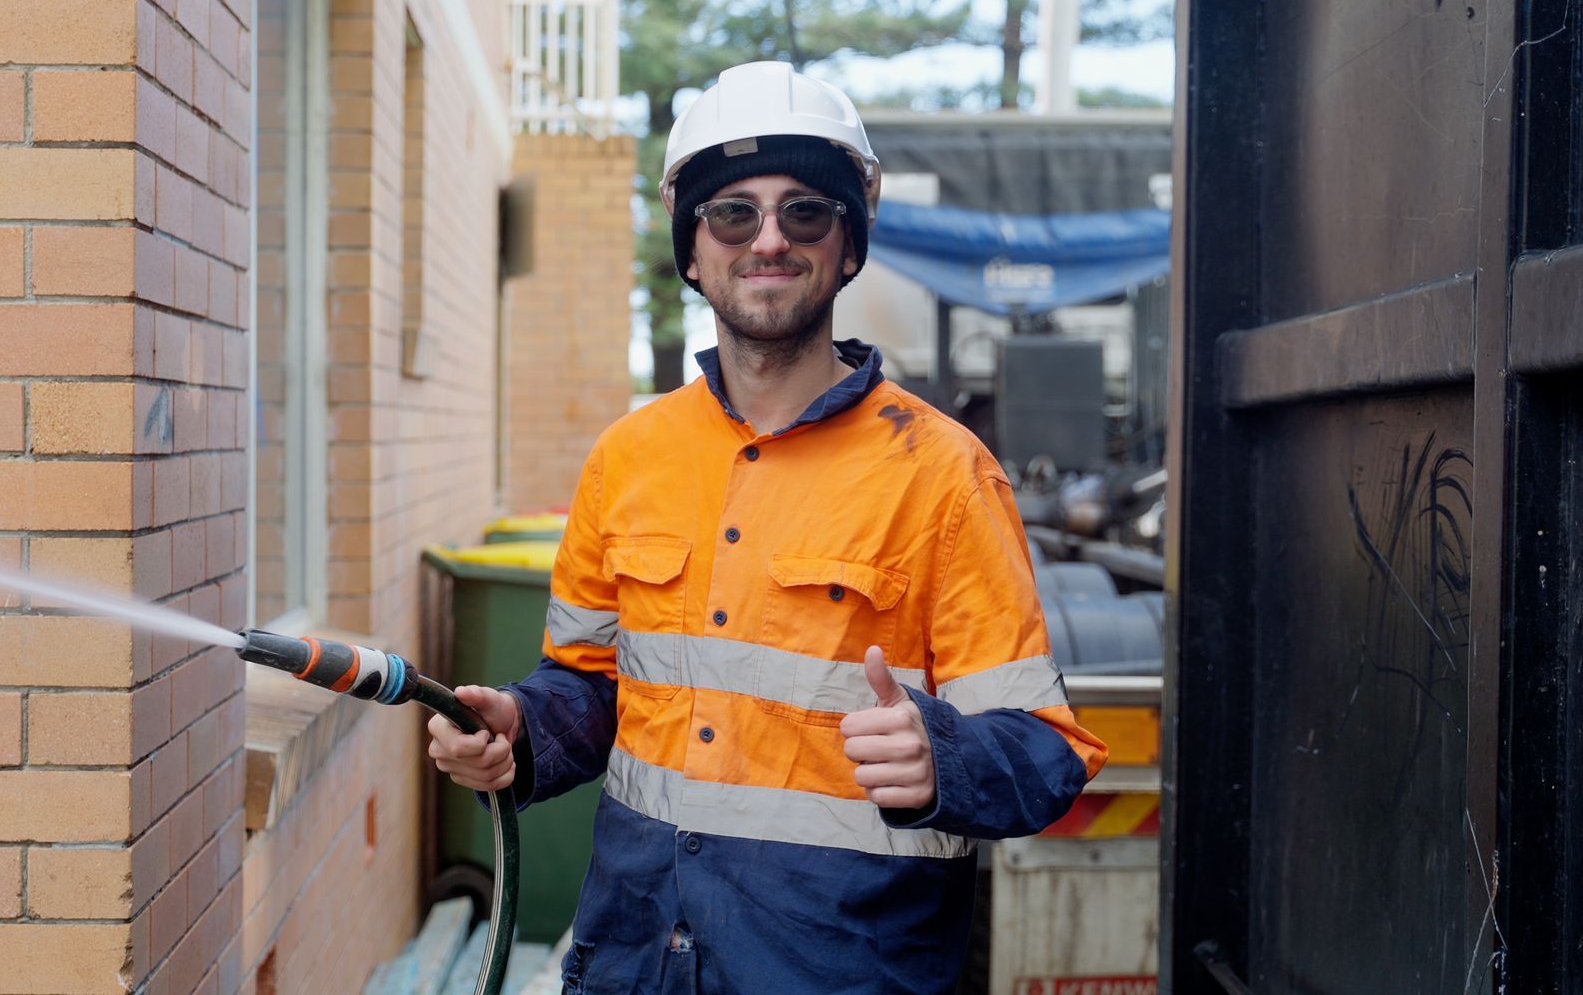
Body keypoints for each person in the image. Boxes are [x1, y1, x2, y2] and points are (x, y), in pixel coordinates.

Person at [427, 60, 1107, 994]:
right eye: (733, 213)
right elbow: (590, 688)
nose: (769, 239)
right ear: (693, 250)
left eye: (805, 211)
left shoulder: (943, 476)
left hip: (837, 971)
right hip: (634, 963)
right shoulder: (628, 459)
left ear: (849, 246)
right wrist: (519, 730)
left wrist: (942, 756)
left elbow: (1048, 749)